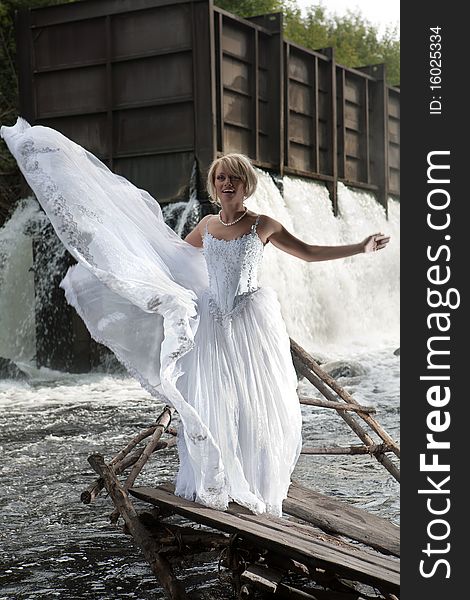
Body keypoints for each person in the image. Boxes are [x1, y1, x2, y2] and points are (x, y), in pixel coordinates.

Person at [1, 118, 389, 517]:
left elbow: (308, 252)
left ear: (246, 184)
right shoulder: (205, 225)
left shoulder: (263, 225)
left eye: (233, 178)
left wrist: (360, 247)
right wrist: (120, 269)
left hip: (251, 323)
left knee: (258, 402)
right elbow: (173, 259)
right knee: (211, 399)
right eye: (220, 178)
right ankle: (218, 477)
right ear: (213, 185)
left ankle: (254, 479)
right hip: (210, 321)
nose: (226, 184)